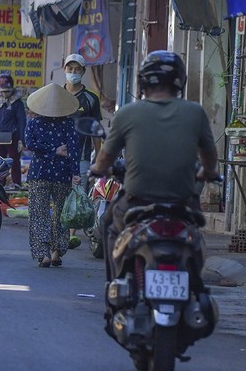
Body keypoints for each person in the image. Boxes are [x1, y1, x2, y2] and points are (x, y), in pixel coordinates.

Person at [90, 51, 218, 276]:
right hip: (182, 200)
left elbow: (105, 157)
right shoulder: (195, 112)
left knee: (110, 226)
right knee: (195, 231)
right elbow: (209, 154)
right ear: (179, 82)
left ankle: (114, 284)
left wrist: (97, 169)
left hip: (137, 198)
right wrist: (207, 172)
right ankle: (196, 283)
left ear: (143, 82)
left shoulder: (127, 113)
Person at [24, 83, 81, 267]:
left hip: (39, 173)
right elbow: (74, 150)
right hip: (63, 174)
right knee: (61, 214)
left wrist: (49, 150)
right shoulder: (69, 124)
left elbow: (29, 144)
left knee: (38, 214)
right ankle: (57, 252)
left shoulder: (33, 123)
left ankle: (44, 254)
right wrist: (76, 173)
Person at [63, 53, 102, 249]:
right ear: (64, 70)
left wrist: (99, 157)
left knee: (77, 193)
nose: (73, 72)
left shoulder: (91, 99)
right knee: (60, 193)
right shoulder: (57, 94)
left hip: (82, 155)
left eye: (77, 69)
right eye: (70, 69)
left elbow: (95, 130)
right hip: (57, 155)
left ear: (83, 72)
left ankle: (70, 235)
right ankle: (60, 231)